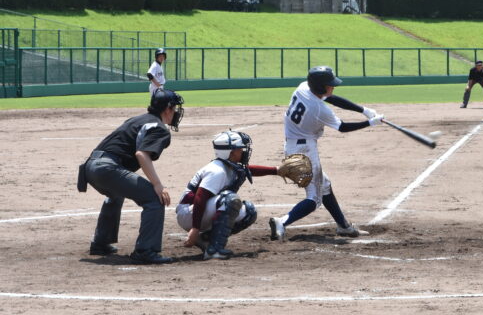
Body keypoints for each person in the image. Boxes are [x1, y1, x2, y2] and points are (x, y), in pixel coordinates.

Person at [269, 66, 385, 242]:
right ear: (321, 87)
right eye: (330, 84)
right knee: (314, 199)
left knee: (325, 185)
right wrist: (370, 122)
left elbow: (331, 98)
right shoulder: (318, 109)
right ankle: (282, 222)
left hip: (292, 146)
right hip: (305, 151)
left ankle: (344, 227)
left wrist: (363, 110)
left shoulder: (303, 87)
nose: (333, 87)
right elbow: (343, 127)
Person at [82, 89, 185, 264]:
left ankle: (101, 243)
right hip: (107, 168)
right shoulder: (159, 128)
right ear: (167, 109)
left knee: (116, 193)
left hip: (90, 167)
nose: (175, 112)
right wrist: (158, 185)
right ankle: (146, 251)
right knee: (154, 198)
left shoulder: (137, 119)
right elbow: (142, 155)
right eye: (174, 107)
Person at [176, 131, 280, 260]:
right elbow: (200, 198)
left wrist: (277, 170)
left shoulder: (228, 165)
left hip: (199, 211)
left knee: (249, 212)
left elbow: (249, 170)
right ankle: (214, 250)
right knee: (230, 199)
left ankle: (206, 240)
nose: (243, 151)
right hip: (189, 213)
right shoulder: (217, 171)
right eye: (240, 149)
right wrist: (195, 228)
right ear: (231, 152)